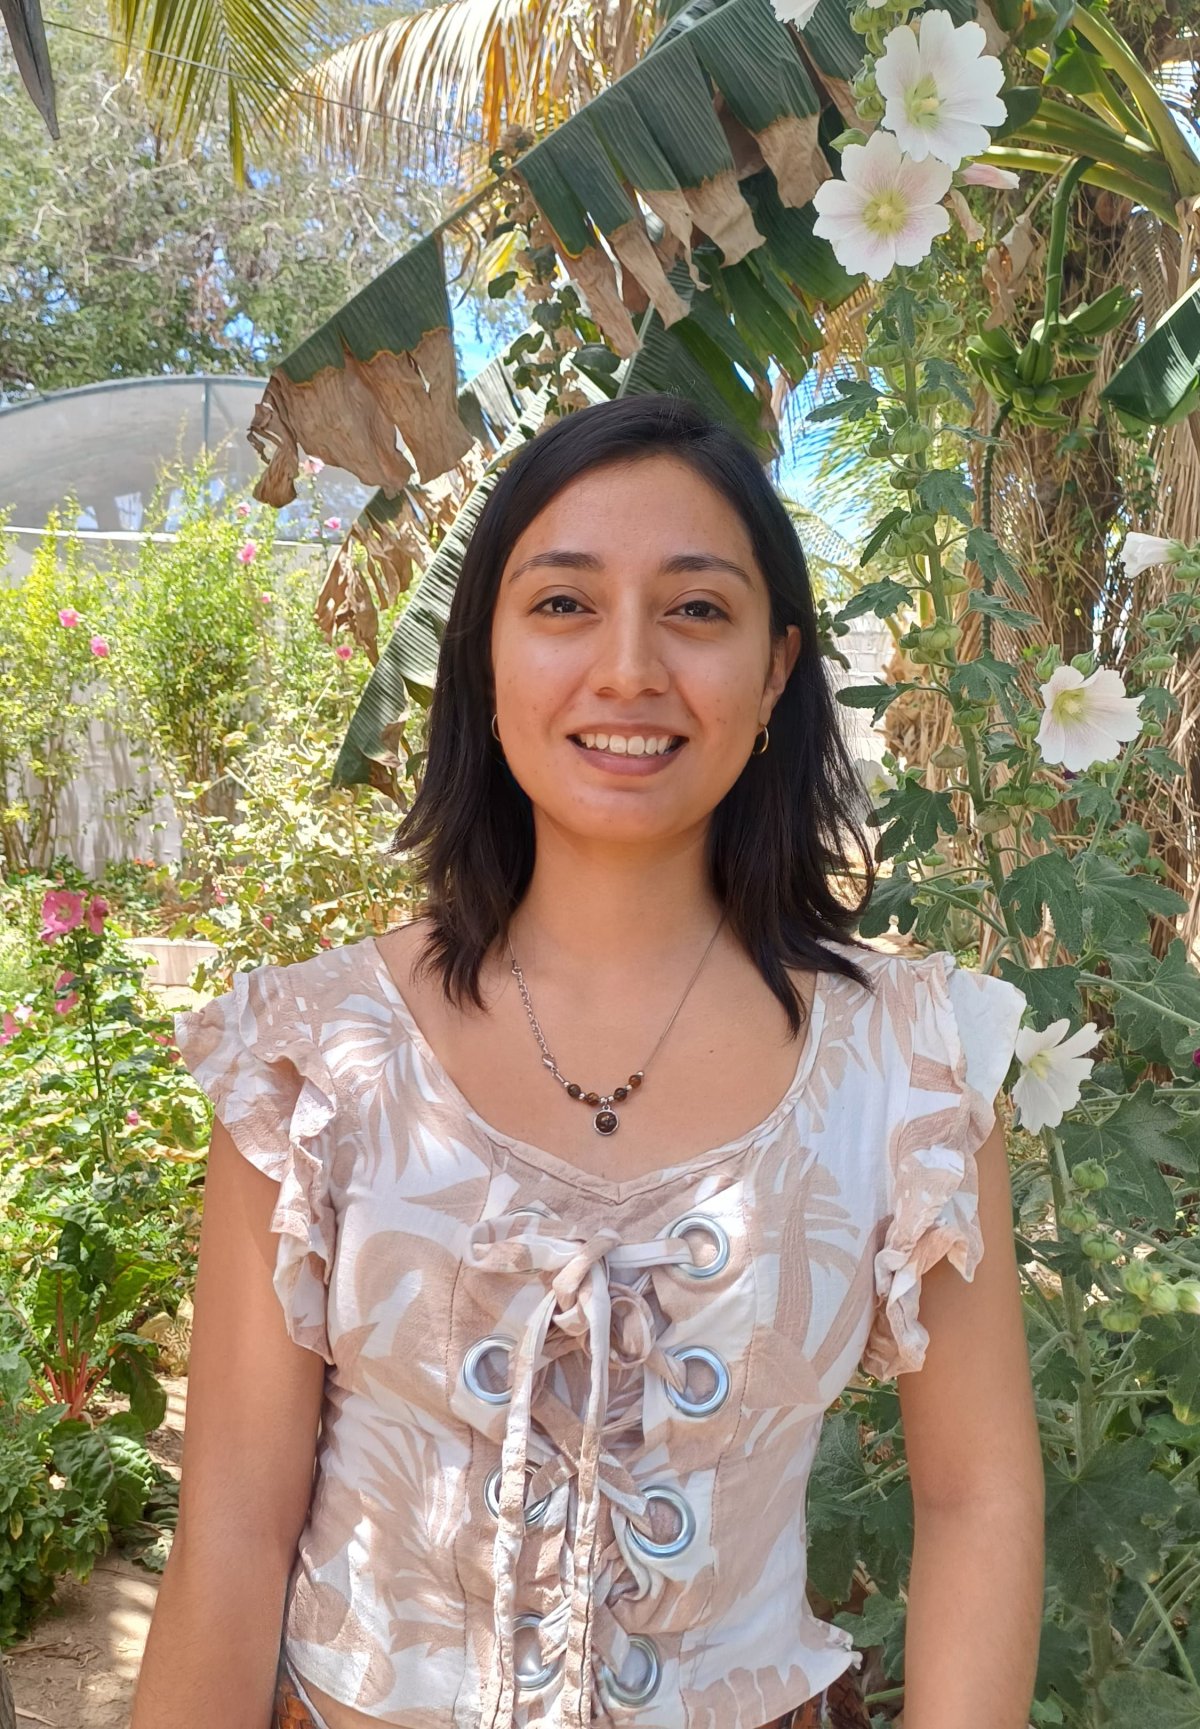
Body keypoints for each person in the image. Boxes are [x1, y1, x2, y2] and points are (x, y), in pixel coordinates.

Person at [131, 393, 1044, 1729]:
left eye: (697, 609)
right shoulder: (313, 1056)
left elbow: (978, 1499)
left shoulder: (913, 1069)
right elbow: (232, 1524)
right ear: (486, 656)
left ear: (777, 670)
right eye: (563, 603)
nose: (628, 669)